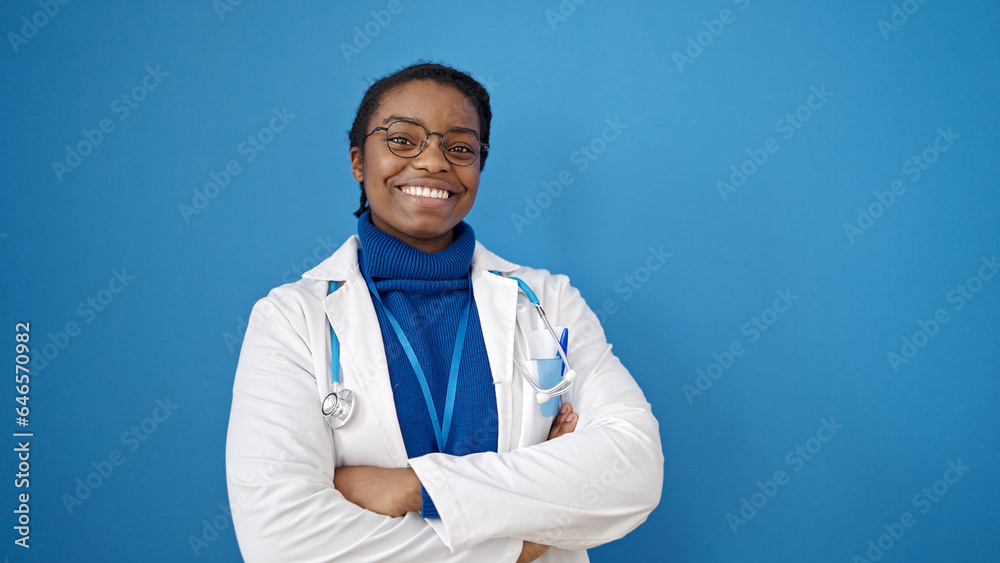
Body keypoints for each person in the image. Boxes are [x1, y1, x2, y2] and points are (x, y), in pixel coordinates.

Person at [225, 62, 663, 562]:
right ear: (357, 162)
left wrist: (413, 488)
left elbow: (633, 469)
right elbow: (281, 538)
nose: (433, 161)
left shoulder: (547, 301)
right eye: (402, 140)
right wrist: (520, 543)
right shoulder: (291, 319)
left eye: (459, 147)